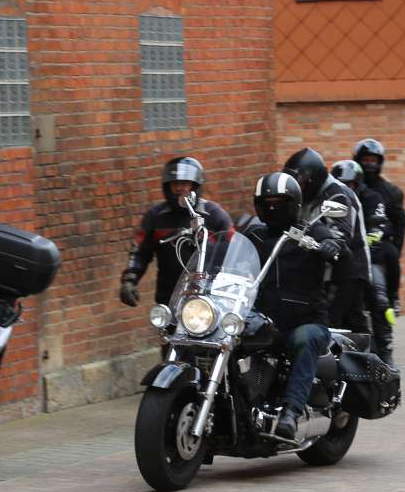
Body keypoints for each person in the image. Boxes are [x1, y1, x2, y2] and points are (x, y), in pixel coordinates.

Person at [244, 172, 344, 440]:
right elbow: (230, 254)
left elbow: (337, 246)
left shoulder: (310, 230)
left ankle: (291, 412)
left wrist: (329, 246)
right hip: (263, 320)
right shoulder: (254, 234)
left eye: (279, 201)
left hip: (305, 321)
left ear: (294, 204)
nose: (273, 207)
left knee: (304, 338)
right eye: (267, 202)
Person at [119, 156, 233, 309]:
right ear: (167, 186)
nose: (180, 188)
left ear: (195, 185)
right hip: (169, 297)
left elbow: (234, 251)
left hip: (209, 298)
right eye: (175, 184)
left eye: (185, 183)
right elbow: (139, 251)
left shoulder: (215, 215)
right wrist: (129, 279)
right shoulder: (155, 217)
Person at [283, 147, 372, 341]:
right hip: (320, 270)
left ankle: (378, 360)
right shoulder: (303, 197)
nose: (299, 187)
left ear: (313, 179)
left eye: (301, 182)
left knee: (333, 322)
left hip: (347, 270)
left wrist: (332, 242)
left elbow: (341, 233)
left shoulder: (337, 194)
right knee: (352, 322)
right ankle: (373, 361)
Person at [333, 159, 395, 363]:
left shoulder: (372, 198)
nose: (345, 188)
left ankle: (385, 349)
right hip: (339, 261)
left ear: (358, 184)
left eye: (350, 184)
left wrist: (370, 237)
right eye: (341, 183)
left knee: (379, 299)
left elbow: (380, 223)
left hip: (368, 257)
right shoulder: (331, 200)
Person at [354, 139, 405, 312]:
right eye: (365, 160)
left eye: (373, 160)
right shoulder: (348, 186)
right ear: (357, 160)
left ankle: (393, 297)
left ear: (380, 163)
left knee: (391, 255)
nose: (369, 164)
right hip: (350, 237)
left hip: (378, 240)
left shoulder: (391, 191)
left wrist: (396, 247)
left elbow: (400, 222)